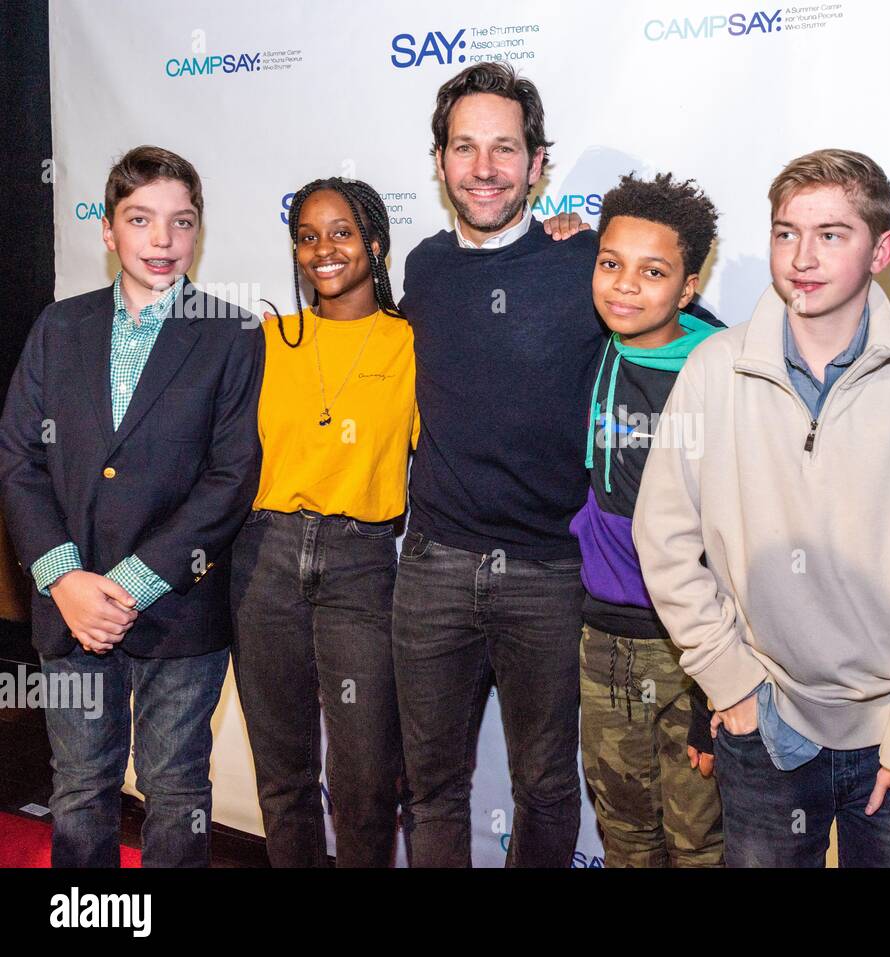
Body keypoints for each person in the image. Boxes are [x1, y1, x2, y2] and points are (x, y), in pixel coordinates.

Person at [633, 149, 890, 867]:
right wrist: (730, 681)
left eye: (831, 234)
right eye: (785, 232)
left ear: (881, 250)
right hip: (765, 725)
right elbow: (663, 536)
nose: (802, 256)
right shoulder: (714, 369)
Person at [0, 145, 263, 867]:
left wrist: (131, 584)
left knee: (177, 791)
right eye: (140, 219)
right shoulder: (59, 327)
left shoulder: (231, 333)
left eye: (181, 223)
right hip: (72, 608)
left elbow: (231, 474)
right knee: (81, 787)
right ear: (109, 230)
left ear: (198, 232)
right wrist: (67, 580)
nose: (162, 240)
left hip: (180, 610)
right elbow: (19, 459)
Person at [393, 62, 605, 867]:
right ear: (441, 161)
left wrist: (590, 230)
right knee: (433, 784)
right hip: (433, 564)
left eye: (505, 149)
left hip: (550, 569)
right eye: (465, 148)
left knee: (547, 785)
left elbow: (677, 314)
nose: (485, 169)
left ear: (538, 163)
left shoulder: (587, 262)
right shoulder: (423, 267)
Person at [229, 177, 416, 867]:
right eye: (306, 236)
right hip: (263, 559)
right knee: (283, 779)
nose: (322, 250)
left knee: (366, 783)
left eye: (340, 232)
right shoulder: (266, 339)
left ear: (374, 241)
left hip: (361, 565)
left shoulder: (411, 343)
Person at [572, 172, 725, 867]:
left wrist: (716, 690)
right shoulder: (596, 344)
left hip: (692, 649)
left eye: (653, 272)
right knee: (625, 831)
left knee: (699, 840)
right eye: (611, 264)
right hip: (603, 635)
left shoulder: (717, 372)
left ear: (689, 287)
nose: (626, 286)